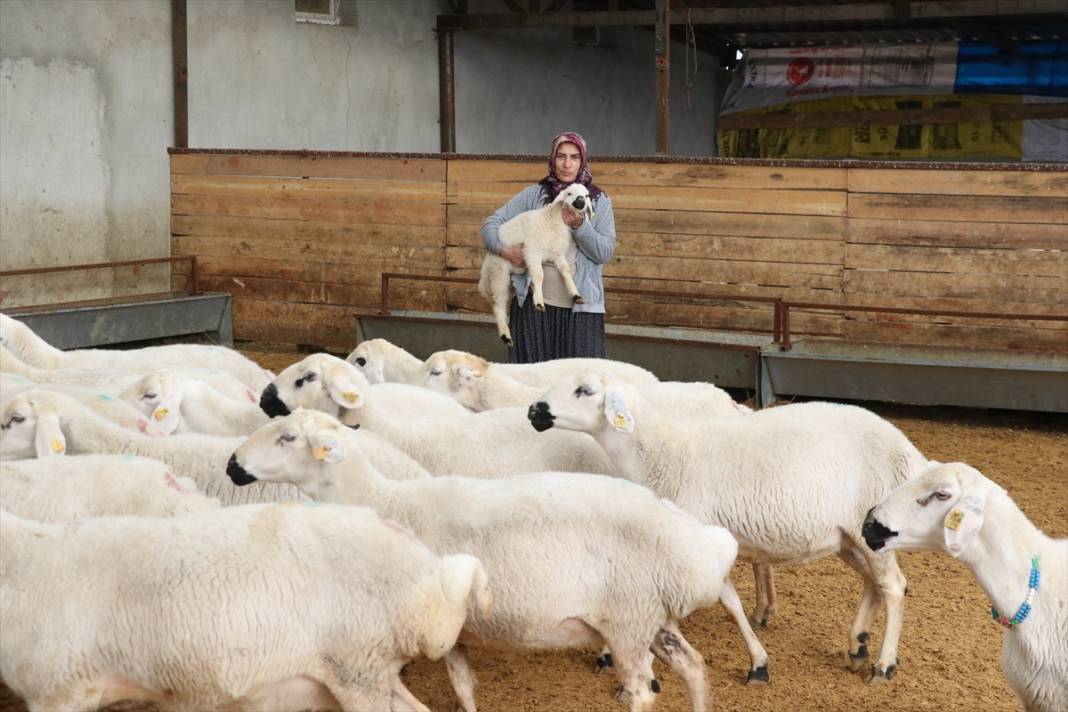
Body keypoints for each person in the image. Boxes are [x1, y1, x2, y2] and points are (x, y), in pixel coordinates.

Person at [481, 131, 616, 363]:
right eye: (560, 156)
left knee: (581, 385)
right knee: (531, 380)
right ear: (552, 159)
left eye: (574, 157)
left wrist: (580, 226)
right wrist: (506, 252)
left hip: (583, 311)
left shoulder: (598, 201)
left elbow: (604, 252)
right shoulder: (534, 196)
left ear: (582, 160)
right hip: (533, 308)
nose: (566, 164)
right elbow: (490, 225)